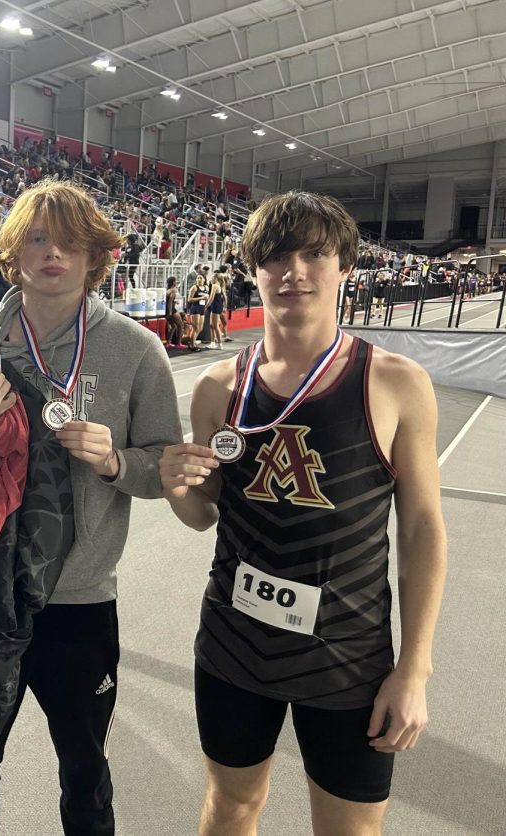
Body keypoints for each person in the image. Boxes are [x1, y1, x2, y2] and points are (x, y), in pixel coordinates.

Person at [158, 191, 447, 836]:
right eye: (277, 256)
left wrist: (415, 668)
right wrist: (179, 488)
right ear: (254, 272)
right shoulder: (218, 388)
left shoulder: (395, 383)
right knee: (231, 807)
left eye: (315, 253)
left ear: (345, 265)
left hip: (346, 656)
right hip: (234, 647)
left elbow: (422, 528)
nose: (295, 271)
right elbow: (205, 515)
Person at [0, 179, 181, 834]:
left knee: (84, 777)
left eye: (70, 241)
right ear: (12, 253)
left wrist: (114, 460)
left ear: (96, 257)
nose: (52, 251)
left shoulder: (136, 352)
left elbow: (164, 471)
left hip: (81, 604)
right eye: (36, 237)